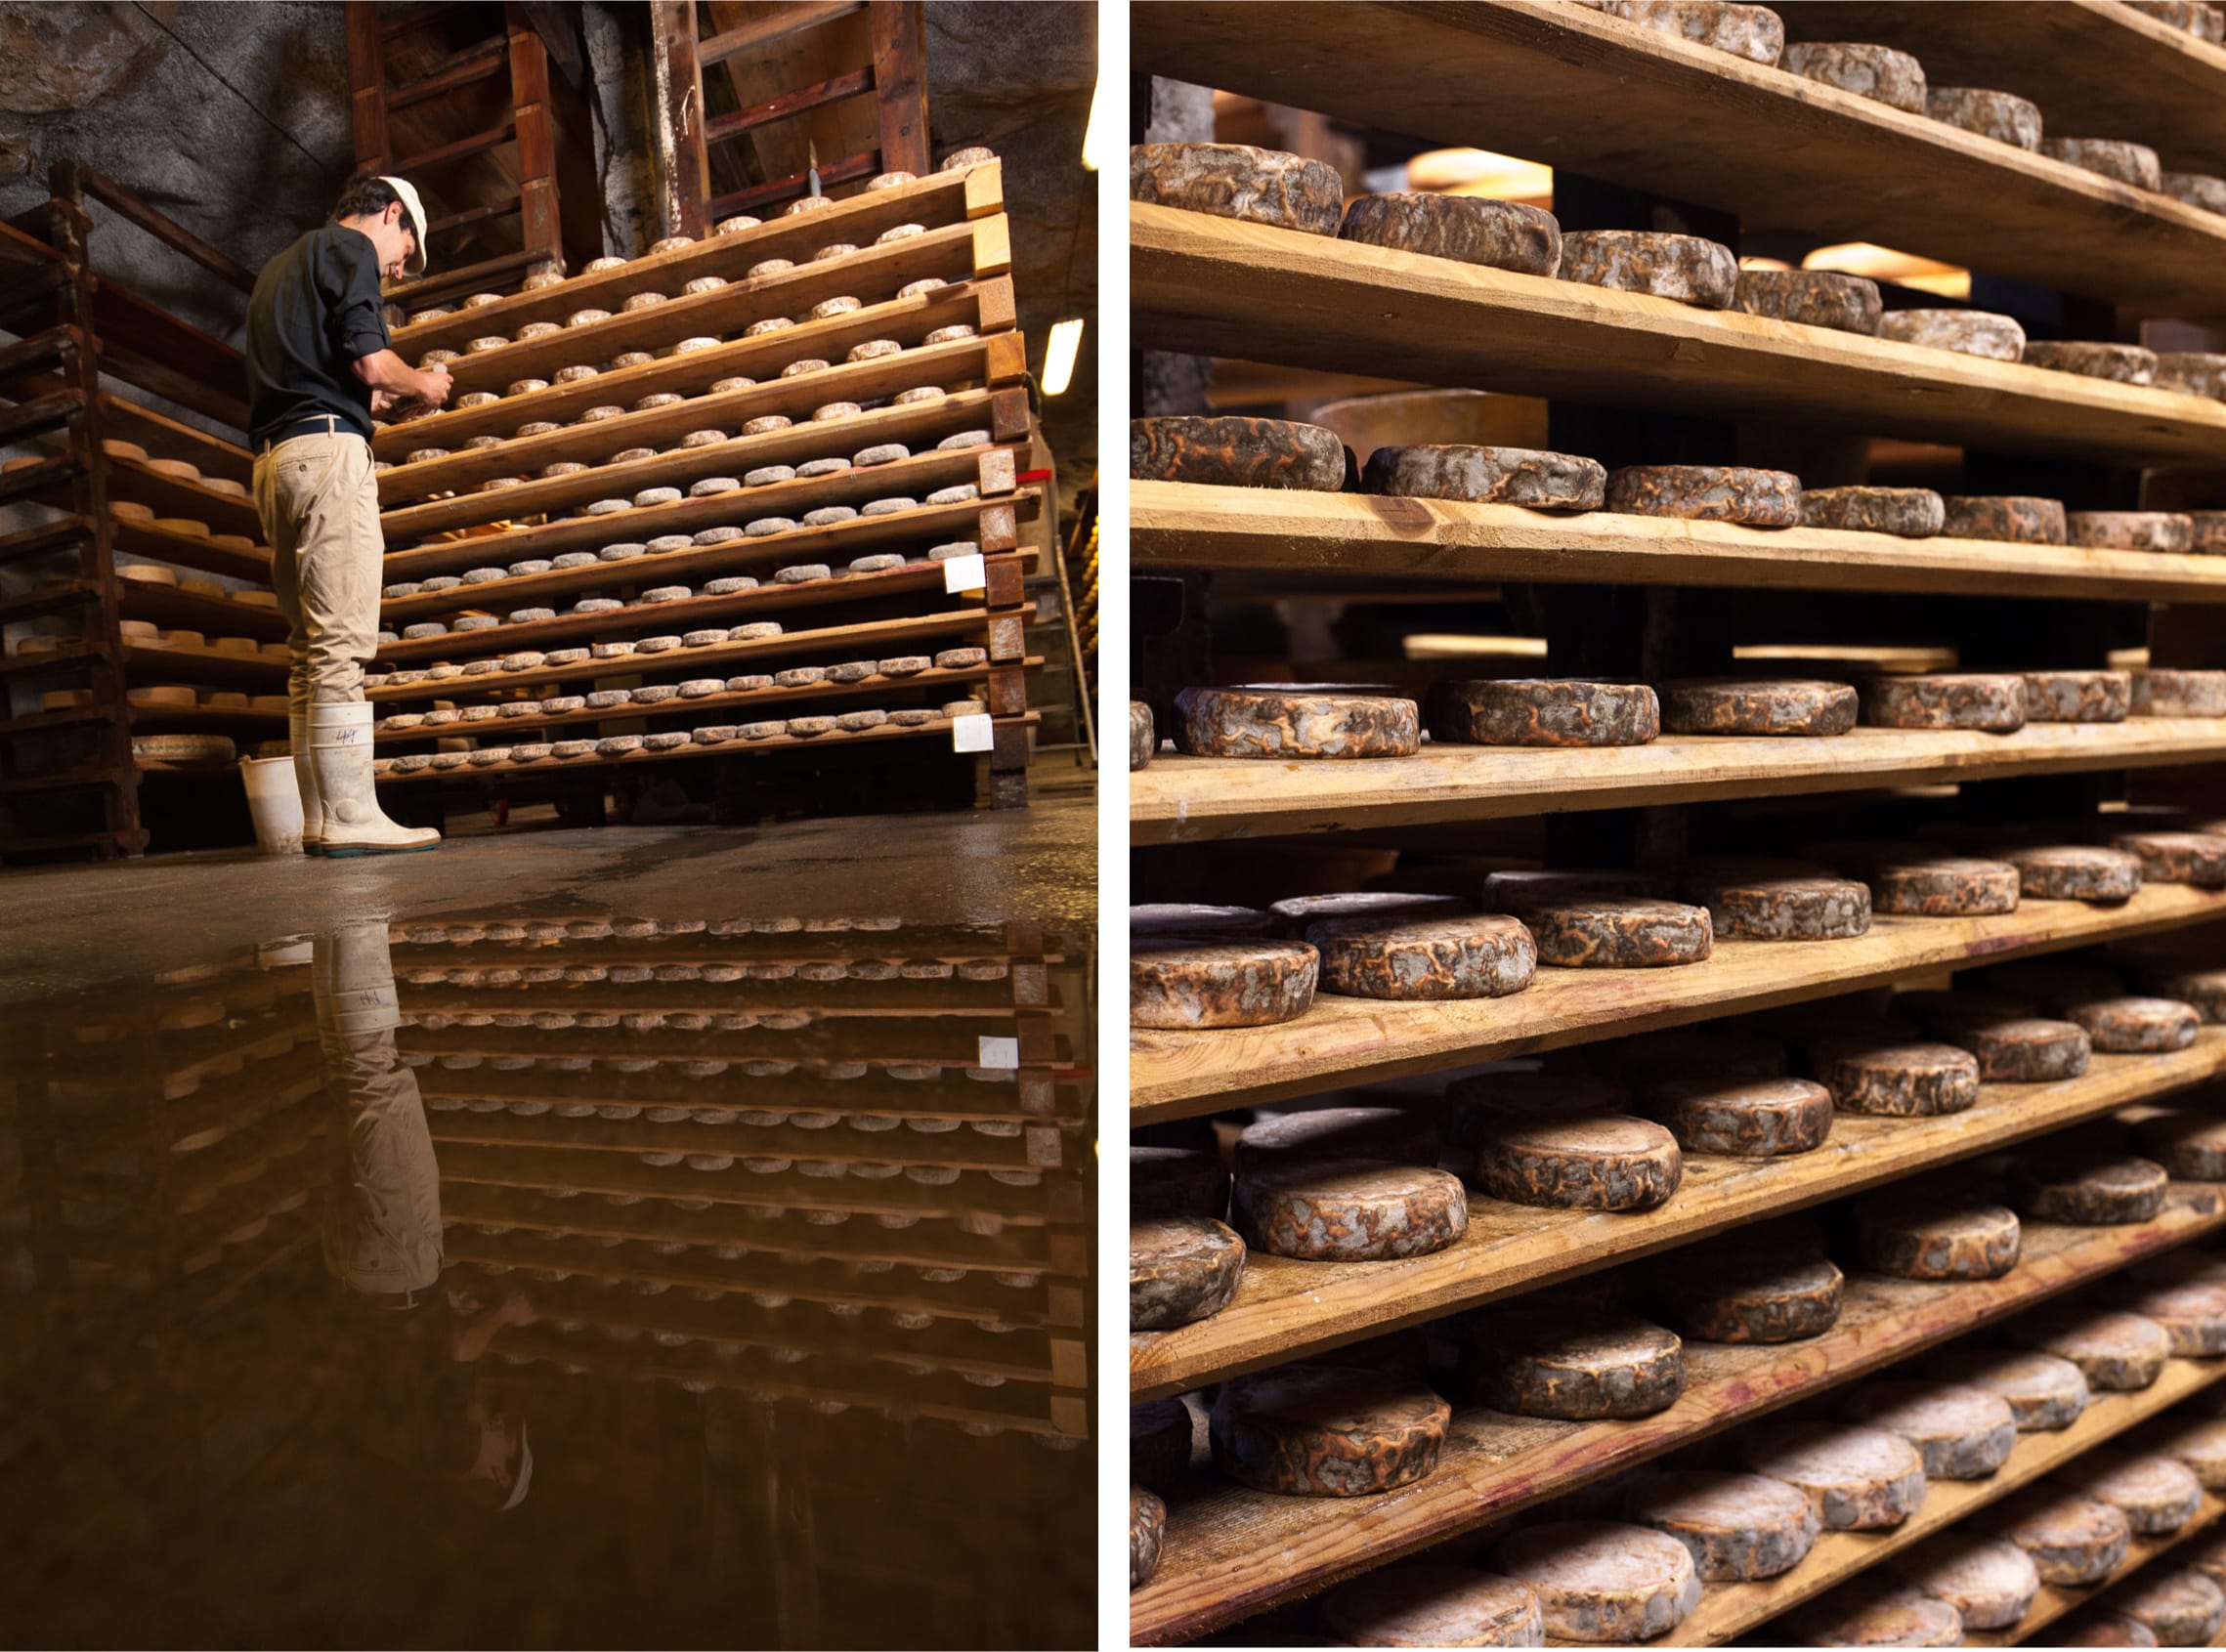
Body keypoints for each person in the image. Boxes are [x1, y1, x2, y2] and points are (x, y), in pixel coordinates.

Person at [245, 174, 451, 856]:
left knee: (307, 653)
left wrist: (375, 400)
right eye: (406, 251)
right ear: (391, 213)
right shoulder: (351, 250)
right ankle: (350, 817)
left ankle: (320, 817)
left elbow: (320, 372)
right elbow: (370, 360)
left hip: (276, 465)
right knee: (341, 643)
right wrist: (422, 381)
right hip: (329, 460)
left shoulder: (281, 267)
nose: (397, 269)